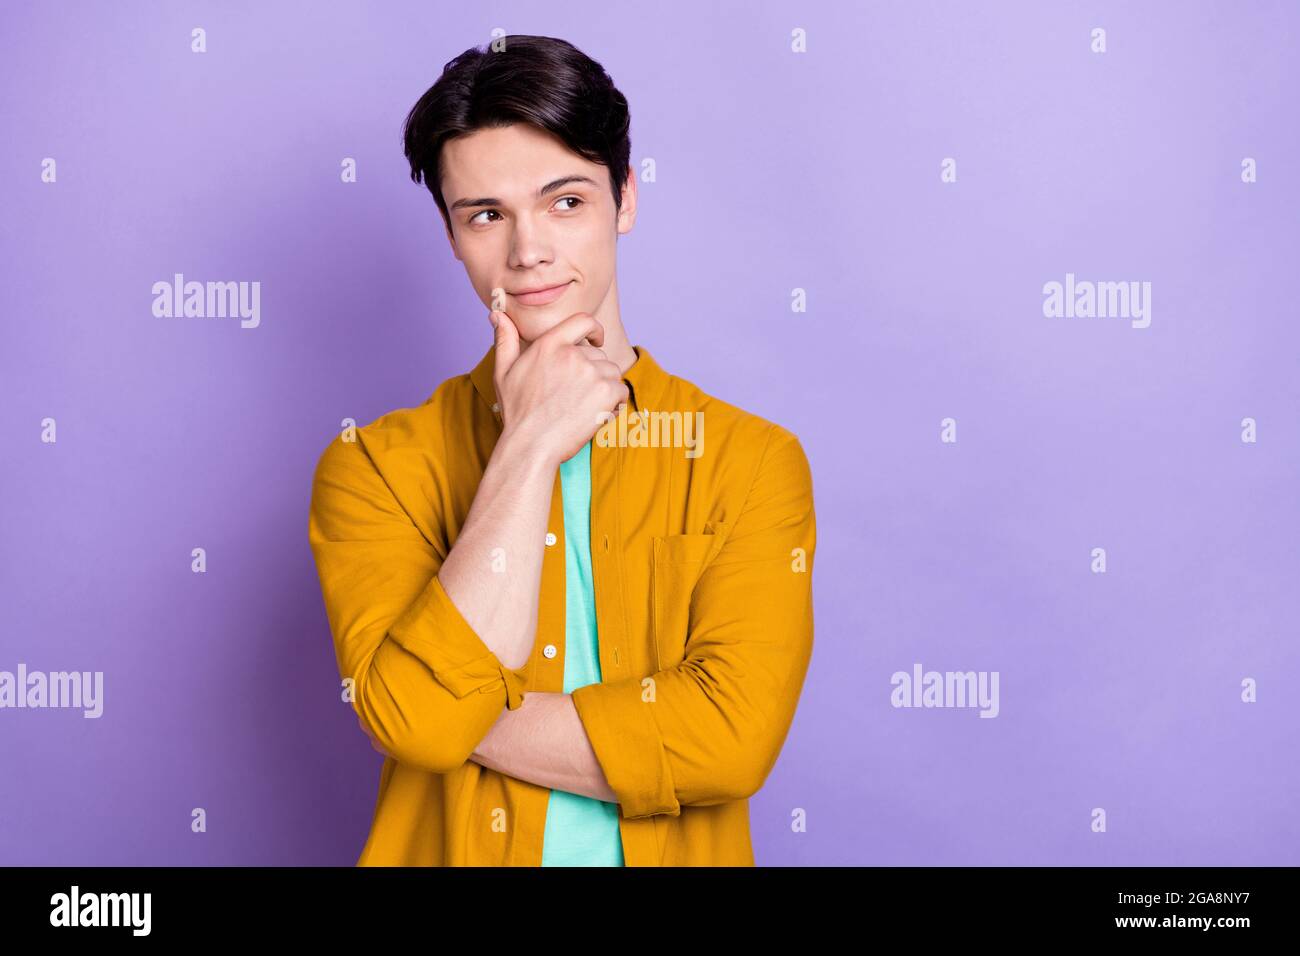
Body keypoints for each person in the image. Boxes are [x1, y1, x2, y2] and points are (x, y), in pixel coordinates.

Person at [307, 34, 816, 866]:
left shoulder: (750, 461)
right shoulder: (373, 468)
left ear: (626, 200)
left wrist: (455, 711)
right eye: (486, 215)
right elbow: (414, 726)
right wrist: (531, 443)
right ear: (450, 234)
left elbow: (729, 742)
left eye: (566, 201)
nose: (528, 250)